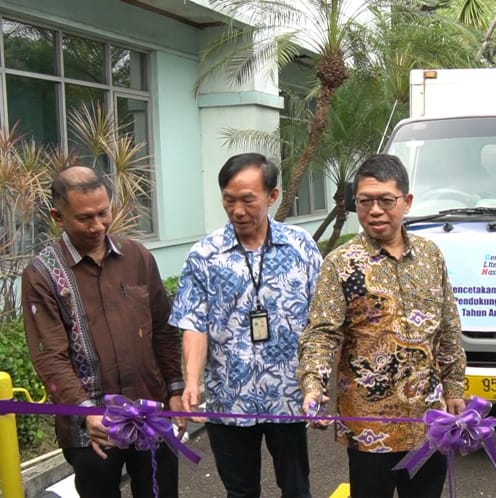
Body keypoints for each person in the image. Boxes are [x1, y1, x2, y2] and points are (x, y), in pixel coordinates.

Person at [297, 154, 466, 498]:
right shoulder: (341, 264)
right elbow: (321, 333)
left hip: (428, 421)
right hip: (369, 427)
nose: (375, 210)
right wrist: (313, 384)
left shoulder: (431, 255)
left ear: (406, 202)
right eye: (365, 201)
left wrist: (455, 388)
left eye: (386, 201)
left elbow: (448, 326)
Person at [22, 166, 183, 497]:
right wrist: (85, 410)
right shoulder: (43, 275)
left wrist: (175, 388)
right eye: (84, 218)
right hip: (92, 428)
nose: (97, 226)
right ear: (58, 216)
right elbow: (49, 355)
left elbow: (163, 331)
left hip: (149, 413)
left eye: (103, 213)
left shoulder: (136, 256)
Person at [169, 153, 321, 498]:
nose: (238, 210)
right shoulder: (204, 255)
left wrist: (321, 381)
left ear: (272, 196)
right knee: (240, 491)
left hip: (288, 396)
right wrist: (191, 382)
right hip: (228, 398)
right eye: (229, 200)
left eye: (248, 200)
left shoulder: (301, 247)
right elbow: (194, 324)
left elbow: (322, 323)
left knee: (297, 488)